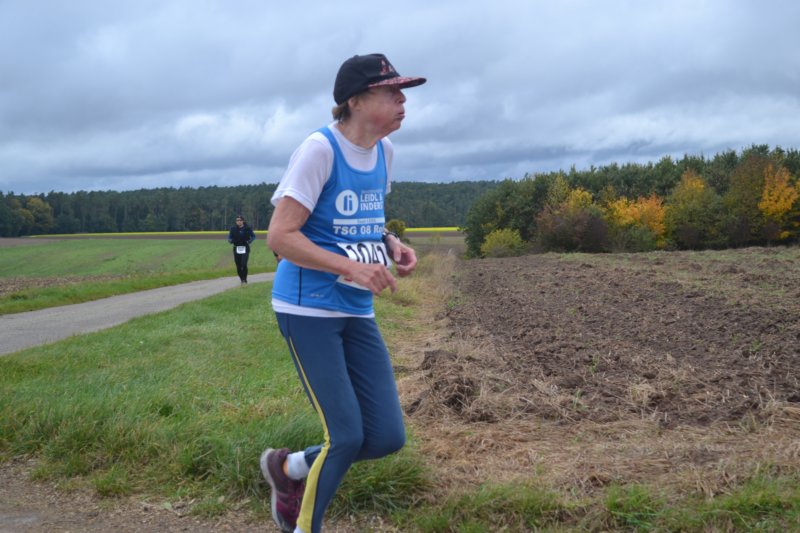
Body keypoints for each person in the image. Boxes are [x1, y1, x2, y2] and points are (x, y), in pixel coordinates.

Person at [261, 53, 425, 533]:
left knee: (387, 436)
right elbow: (280, 237)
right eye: (390, 92)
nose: (402, 101)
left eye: (403, 93)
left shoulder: (384, 152)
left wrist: (390, 243)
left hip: (356, 309)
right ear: (354, 100)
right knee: (346, 435)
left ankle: (289, 468)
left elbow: (361, 222)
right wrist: (351, 266)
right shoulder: (320, 150)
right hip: (307, 309)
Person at [227, 215, 256, 285]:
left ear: (243, 221)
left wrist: (250, 241)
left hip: (245, 248)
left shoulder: (247, 228)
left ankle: (245, 279)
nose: (239, 221)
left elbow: (253, 236)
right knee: (238, 266)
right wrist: (230, 240)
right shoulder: (233, 229)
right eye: (237, 220)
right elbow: (229, 237)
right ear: (236, 222)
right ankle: (242, 280)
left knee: (243, 264)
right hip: (236, 248)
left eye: (240, 220)